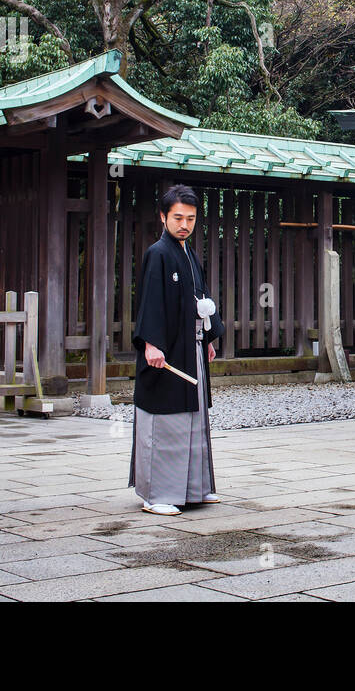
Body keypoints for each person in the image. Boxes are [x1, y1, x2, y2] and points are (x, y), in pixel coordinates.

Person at [128, 184, 225, 516]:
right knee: (165, 421)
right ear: (163, 216)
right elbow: (150, 303)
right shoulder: (158, 253)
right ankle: (157, 495)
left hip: (191, 348)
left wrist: (207, 339)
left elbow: (201, 301)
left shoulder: (189, 254)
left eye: (191, 218)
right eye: (178, 217)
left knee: (194, 419)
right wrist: (151, 343)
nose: (185, 224)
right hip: (165, 353)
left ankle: (194, 489)